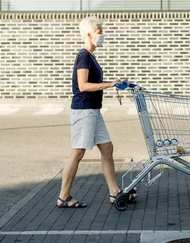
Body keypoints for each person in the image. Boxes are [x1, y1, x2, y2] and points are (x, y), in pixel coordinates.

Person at [56, 17, 137, 208]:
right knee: (78, 152)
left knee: (107, 149)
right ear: (89, 35)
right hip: (84, 111)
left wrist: (115, 81)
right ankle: (63, 196)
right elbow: (83, 85)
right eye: (99, 32)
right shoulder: (83, 56)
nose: (102, 36)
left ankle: (114, 192)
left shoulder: (91, 56)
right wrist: (109, 84)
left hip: (93, 111)